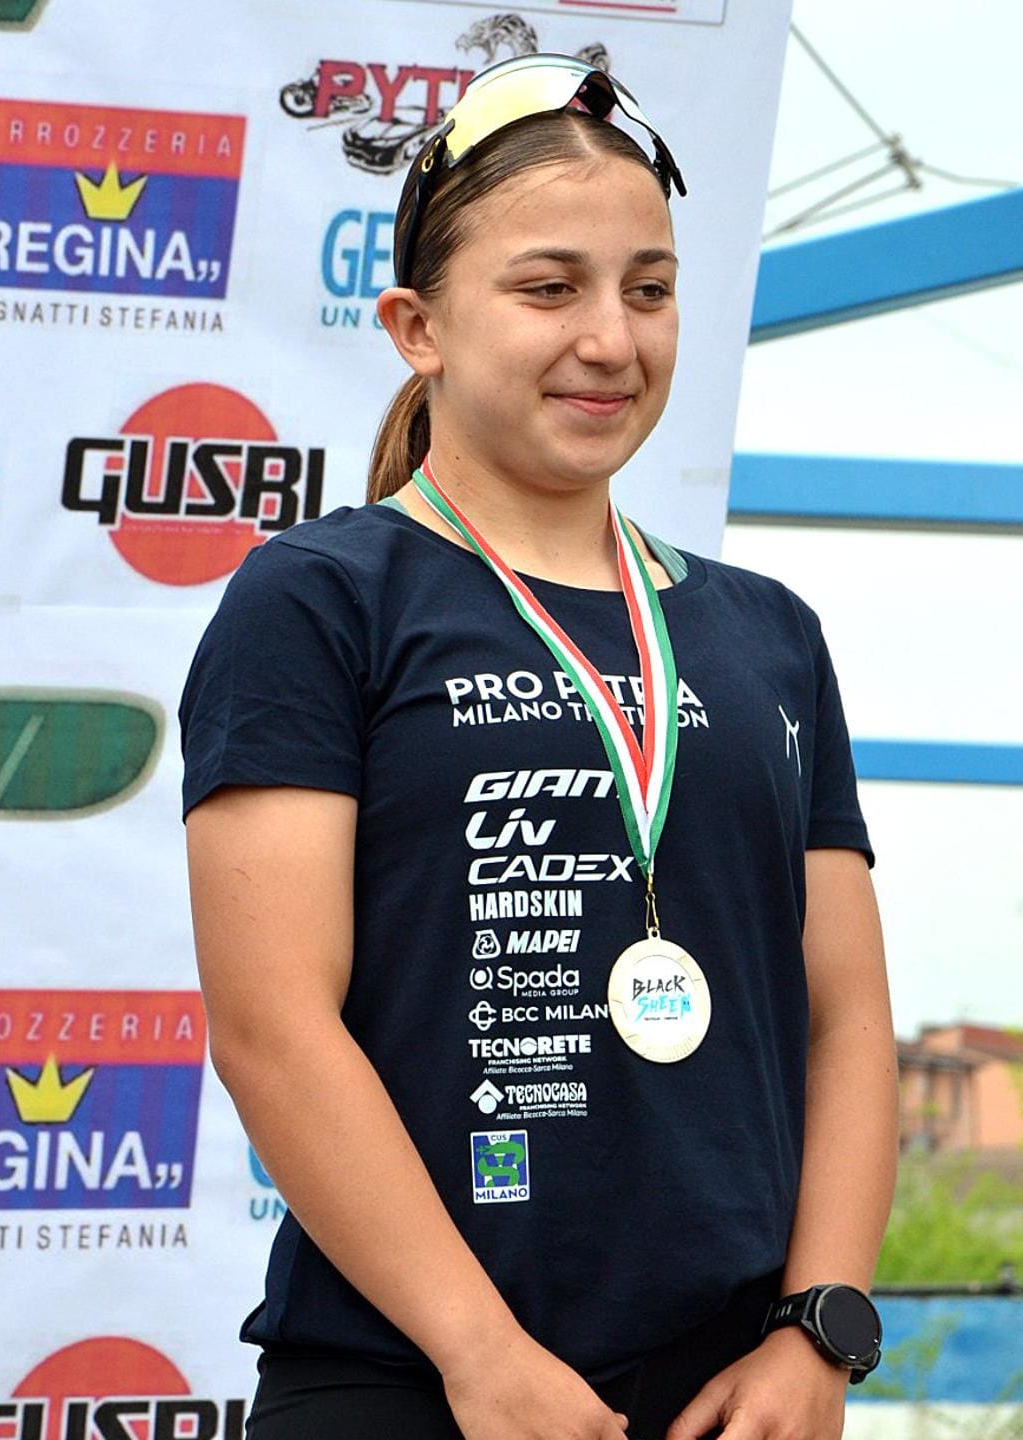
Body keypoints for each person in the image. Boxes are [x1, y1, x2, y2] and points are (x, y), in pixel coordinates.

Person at [180, 54, 899, 1440]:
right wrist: (479, 1352)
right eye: (549, 288)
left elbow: (848, 1021)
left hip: (733, 1391)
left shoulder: (767, 633)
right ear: (418, 326)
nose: (612, 341)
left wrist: (821, 1330)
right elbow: (274, 1026)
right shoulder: (321, 600)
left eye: (650, 289)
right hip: (414, 1380)